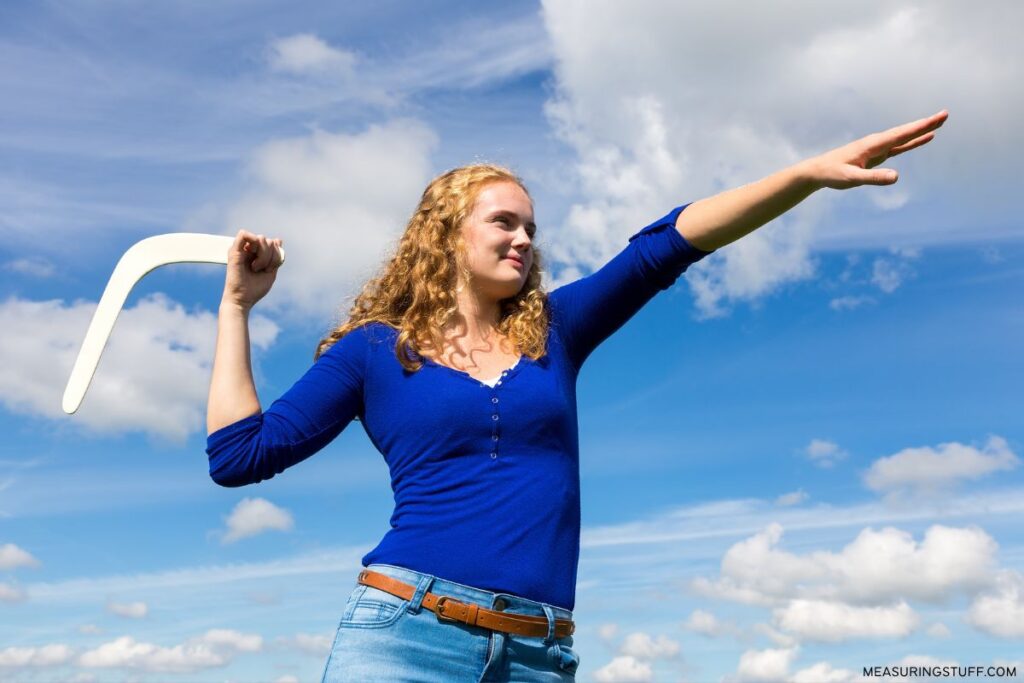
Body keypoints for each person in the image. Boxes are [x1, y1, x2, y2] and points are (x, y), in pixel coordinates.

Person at [205, 109, 947, 682]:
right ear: (444, 236)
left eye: (531, 226)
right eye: (504, 221)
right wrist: (236, 308)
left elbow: (663, 248)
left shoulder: (555, 332)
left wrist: (805, 176)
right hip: (404, 634)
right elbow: (240, 454)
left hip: (539, 651)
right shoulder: (375, 348)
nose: (525, 238)